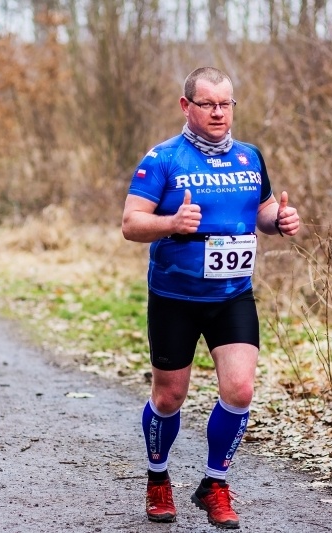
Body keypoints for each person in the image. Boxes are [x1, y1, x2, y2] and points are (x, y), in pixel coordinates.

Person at [121, 66, 300, 529]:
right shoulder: (162, 159)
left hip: (232, 295)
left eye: (226, 104)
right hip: (175, 297)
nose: (220, 113)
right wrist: (171, 224)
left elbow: (259, 210)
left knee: (240, 390)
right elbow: (131, 223)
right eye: (209, 104)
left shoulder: (249, 157)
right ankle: (158, 477)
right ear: (187, 106)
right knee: (169, 397)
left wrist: (278, 217)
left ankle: (213, 483)